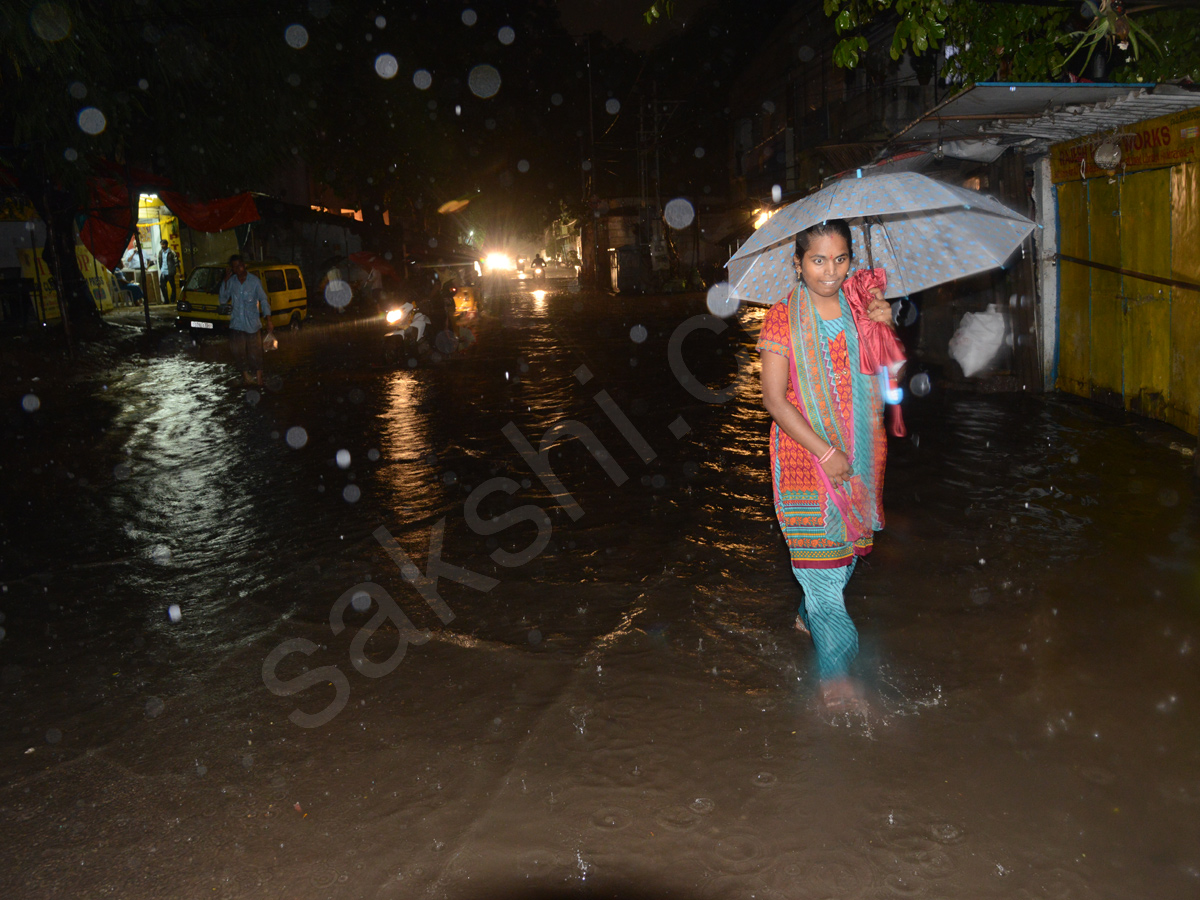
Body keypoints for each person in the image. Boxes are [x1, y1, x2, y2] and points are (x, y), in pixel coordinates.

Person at [756, 219, 895, 712]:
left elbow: (890, 380)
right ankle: (835, 676)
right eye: (818, 260)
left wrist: (885, 325)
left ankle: (806, 612)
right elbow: (774, 399)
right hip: (804, 460)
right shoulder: (781, 319)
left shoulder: (864, 309)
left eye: (840, 260)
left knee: (845, 556)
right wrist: (825, 452)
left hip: (860, 454)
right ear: (797, 263)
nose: (830, 272)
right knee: (822, 567)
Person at [219, 255, 274, 387]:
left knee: (256, 352)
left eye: (240, 265)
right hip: (237, 325)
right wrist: (225, 282)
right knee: (239, 353)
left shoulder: (254, 281)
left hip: (253, 325)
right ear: (232, 269)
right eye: (235, 267)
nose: (238, 269)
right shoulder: (231, 282)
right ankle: (246, 377)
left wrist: (269, 319)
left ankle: (259, 378)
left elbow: (264, 300)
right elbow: (222, 300)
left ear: (244, 265)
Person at [158, 239, 179, 305]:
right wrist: (161, 268)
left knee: (172, 286)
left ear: (166, 244)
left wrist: (177, 270)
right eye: (161, 244)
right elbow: (160, 261)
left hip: (170, 272)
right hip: (163, 271)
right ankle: (166, 300)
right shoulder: (160, 252)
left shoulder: (171, 252)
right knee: (162, 286)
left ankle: (172, 299)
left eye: (163, 244)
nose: (162, 246)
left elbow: (176, 261)